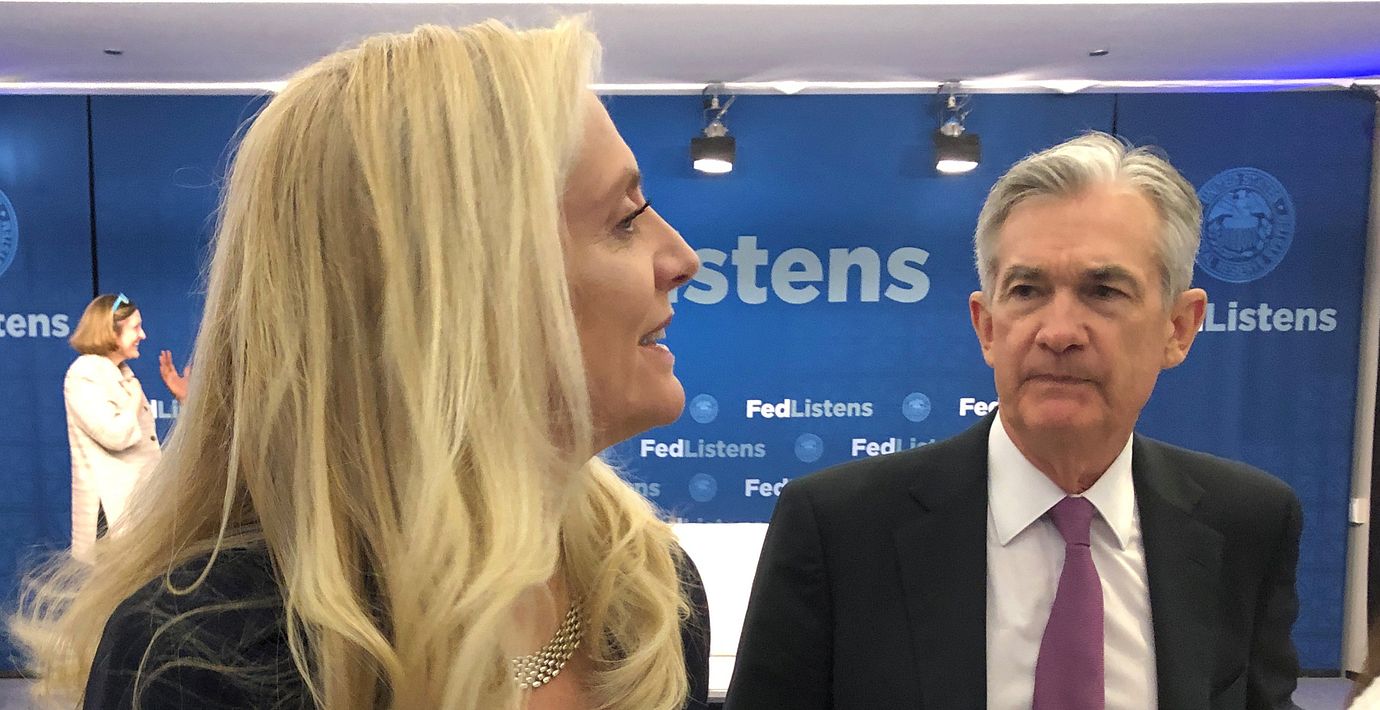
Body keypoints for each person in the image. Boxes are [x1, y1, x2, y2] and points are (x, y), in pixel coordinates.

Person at [13, 19, 708, 710]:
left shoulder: (649, 599)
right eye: (625, 219)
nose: (683, 260)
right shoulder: (203, 658)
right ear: (455, 292)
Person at [725, 132, 1302, 710]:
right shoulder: (841, 530)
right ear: (987, 327)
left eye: (1103, 291)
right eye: (1027, 290)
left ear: (1179, 327)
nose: (1058, 332)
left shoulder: (1247, 523)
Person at [62, 293, 187, 563]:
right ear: (111, 332)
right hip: (112, 519)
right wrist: (132, 401)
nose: (143, 335)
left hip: (137, 514)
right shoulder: (84, 374)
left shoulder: (122, 375)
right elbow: (115, 435)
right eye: (135, 327)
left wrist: (184, 400)